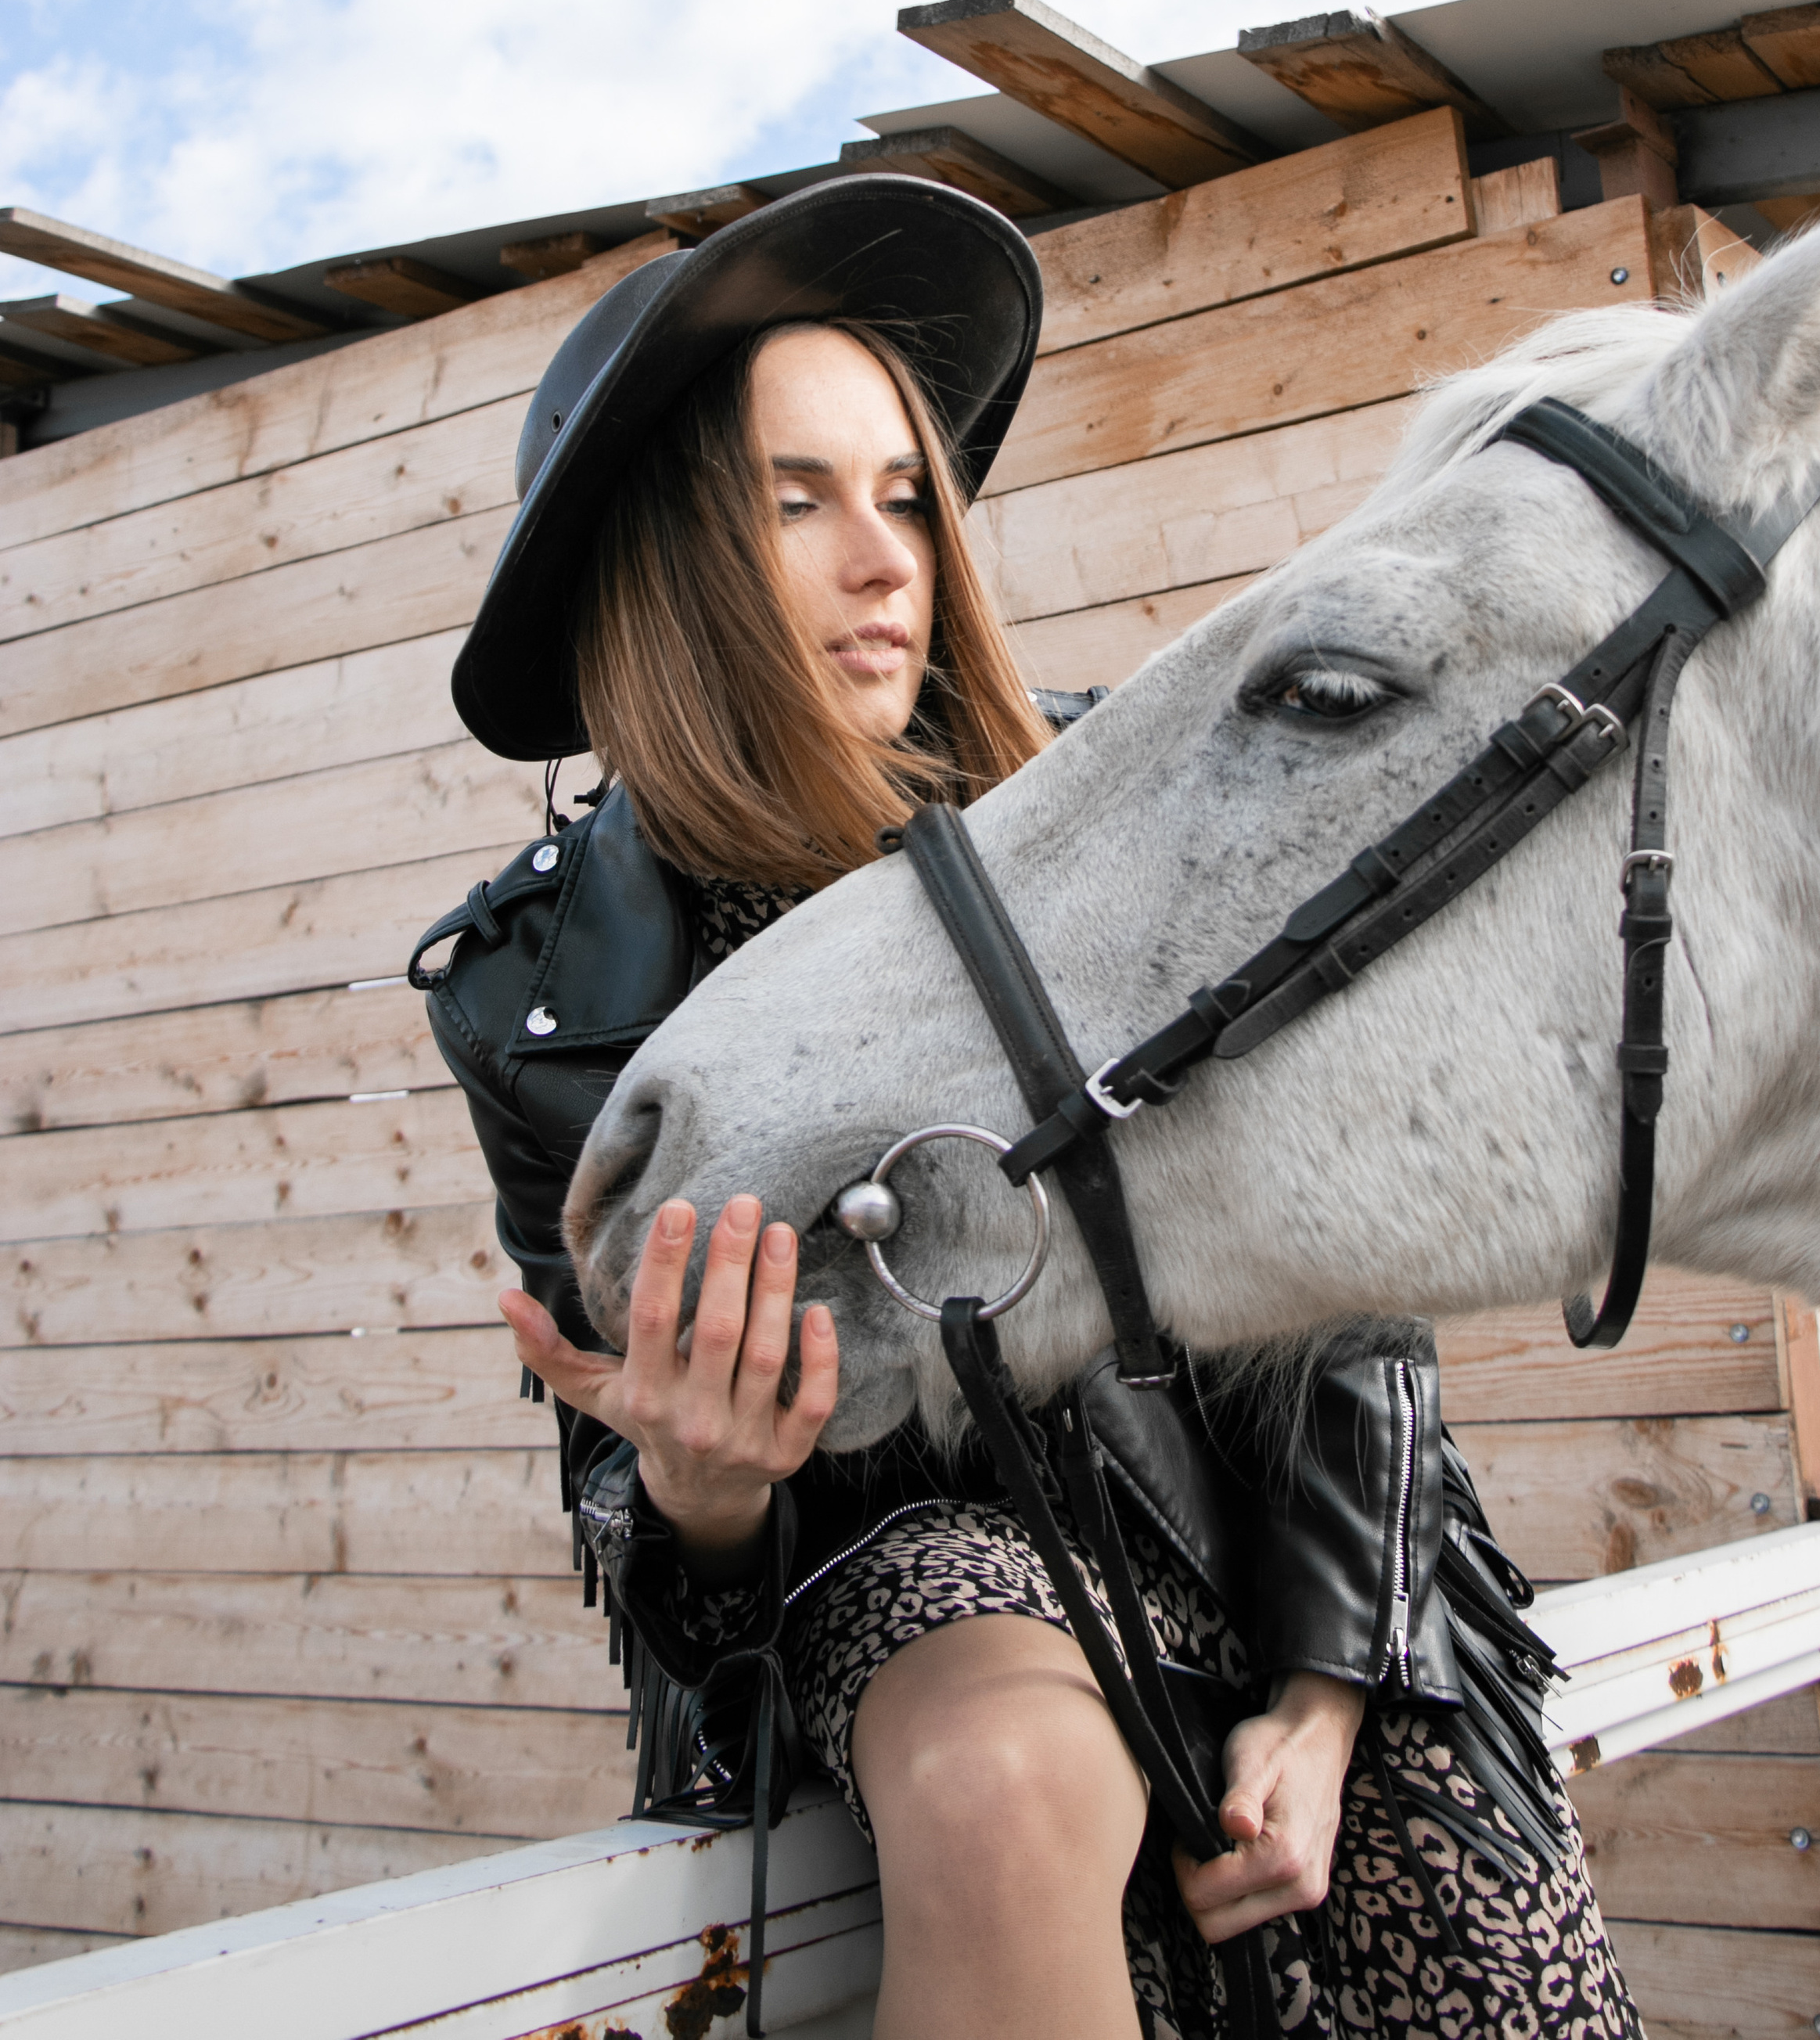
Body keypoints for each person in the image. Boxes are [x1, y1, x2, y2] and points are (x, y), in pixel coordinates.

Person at [413, 178, 1639, 2040]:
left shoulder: (1096, 812)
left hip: (1269, 1537)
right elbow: (628, 1498)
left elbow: (1323, 1274)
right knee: (997, 1764)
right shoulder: (544, 993)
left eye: (906, 494)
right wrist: (699, 1489)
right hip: (906, 1585)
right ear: (661, 550)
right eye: (795, 498)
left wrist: (1322, 1697)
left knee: (1472, 1948)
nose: (887, 556)